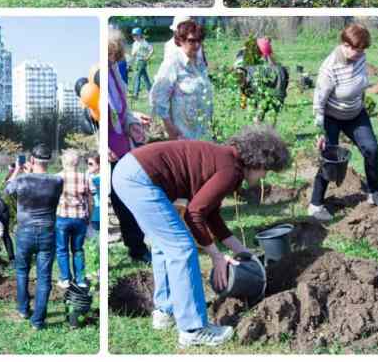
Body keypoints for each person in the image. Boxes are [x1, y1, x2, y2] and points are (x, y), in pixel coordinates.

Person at [113, 129, 290, 348]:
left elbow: (210, 212)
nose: (264, 177)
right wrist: (216, 256)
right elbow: (194, 213)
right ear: (259, 162)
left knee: (163, 245)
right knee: (182, 248)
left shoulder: (226, 159)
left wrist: (240, 249)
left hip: (129, 170)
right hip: (140, 179)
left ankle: (166, 311)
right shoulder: (231, 170)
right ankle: (193, 329)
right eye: (267, 171)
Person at [308, 24, 378, 221]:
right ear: (345, 44)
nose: (359, 54)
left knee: (371, 149)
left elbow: (359, 83)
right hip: (332, 117)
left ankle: (374, 193)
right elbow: (319, 100)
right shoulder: (330, 68)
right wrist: (320, 130)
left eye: (362, 50)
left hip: (356, 114)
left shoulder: (360, 57)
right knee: (330, 159)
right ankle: (316, 204)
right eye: (356, 49)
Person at [4, 144, 63, 330]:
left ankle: (23, 309)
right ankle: (38, 321)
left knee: (22, 272)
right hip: (47, 232)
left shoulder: (21, 180)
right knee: (44, 278)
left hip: (25, 232)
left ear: (31, 160)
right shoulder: (57, 181)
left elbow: (7, 191)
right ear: (49, 161)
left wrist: (17, 170)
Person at [108, 29, 151, 263]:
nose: (113, 61)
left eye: (115, 57)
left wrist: (133, 120)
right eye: (110, 57)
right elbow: (95, 115)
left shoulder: (114, 73)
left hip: (123, 143)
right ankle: (136, 247)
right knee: (120, 197)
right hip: (108, 150)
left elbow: (120, 109)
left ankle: (139, 241)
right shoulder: (98, 76)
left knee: (133, 190)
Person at [150, 19, 213, 141]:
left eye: (199, 40)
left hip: (203, 133)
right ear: (180, 40)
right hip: (183, 136)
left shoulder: (199, 64)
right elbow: (158, 99)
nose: (197, 45)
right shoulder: (172, 64)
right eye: (191, 41)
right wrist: (170, 129)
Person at [55, 149, 91, 289]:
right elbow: (90, 199)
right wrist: (88, 215)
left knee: (62, 249)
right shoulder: (84, 177)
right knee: (78, 249)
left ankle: (65, 279)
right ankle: (80, 279)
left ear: (64, 162)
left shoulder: (57, 177)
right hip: (80, 218)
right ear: (77, 162)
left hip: (62, 217)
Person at [130, 27, 154, 99]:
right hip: (137, 61)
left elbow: (152, 50)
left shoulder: (144, 42)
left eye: (136, 35)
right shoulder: (135, 43)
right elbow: (133, 54)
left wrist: (147, 57)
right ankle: (151, 91)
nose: (134, 37)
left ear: (140, 35)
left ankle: (135, 94)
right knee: (145, 77)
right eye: (133, 35)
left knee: (137, 77)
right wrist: (131, 63)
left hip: (142, 61)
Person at [87, 155, 100, 236]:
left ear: (99, 165)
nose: (88, 166)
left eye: (90, 164)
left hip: (97, 213)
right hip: (93, 213)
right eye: (87, 163)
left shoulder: (97, 179)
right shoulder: (91, 176)